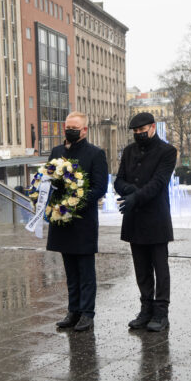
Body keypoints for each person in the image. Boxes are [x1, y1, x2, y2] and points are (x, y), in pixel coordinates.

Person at [114, 112, 177, 332]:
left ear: (152, 128)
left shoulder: (167, 151)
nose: (138, 135)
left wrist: (135, 197)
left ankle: (161, 312)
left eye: (142, 131)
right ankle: (145, 309)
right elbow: (118, 180)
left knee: (160, 267)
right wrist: (130, 192)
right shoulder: (129, 151)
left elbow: (159, 183)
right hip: (134, 218)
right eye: (135, 132)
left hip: (156, 218)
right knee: (141, 268)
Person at [48, 112, 108, 332]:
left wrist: (75, 202)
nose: (70, 130)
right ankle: (73, 311)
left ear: (85, 130)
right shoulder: (56, 152)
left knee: (85, 270)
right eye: (67, 126)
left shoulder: (96, 154)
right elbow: (49, 179)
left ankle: (87, 313)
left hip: (82, 221)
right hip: (61, 220)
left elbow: (100, 187)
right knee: (70, 270)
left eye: (75, 127)